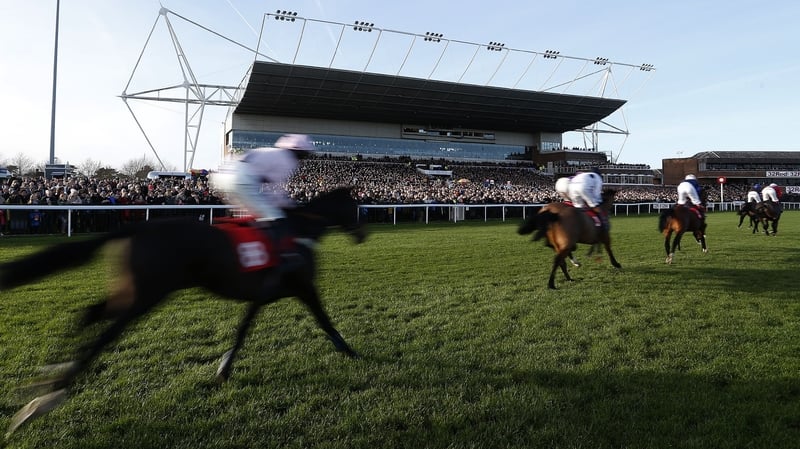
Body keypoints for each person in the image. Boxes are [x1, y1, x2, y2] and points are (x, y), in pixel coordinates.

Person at [229, 134, 315, 265]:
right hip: (242, 180)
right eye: (304, 154)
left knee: (252, 218)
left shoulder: (274, 152)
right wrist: (291, 205)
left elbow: (269, 190)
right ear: (298, 151)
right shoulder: (287, 160)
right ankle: (280, 256)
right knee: (277, 217)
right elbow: (277, 193)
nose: (303, 158)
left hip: (227, 175)